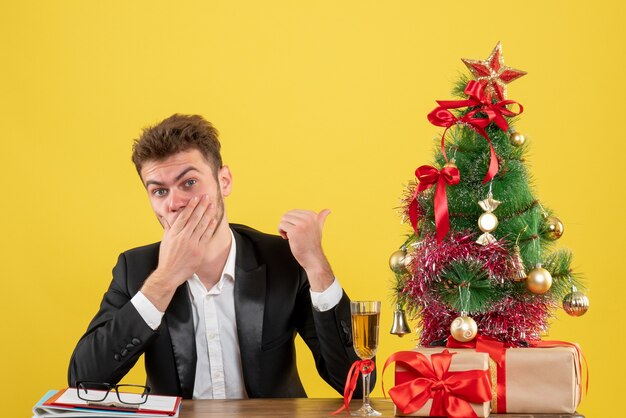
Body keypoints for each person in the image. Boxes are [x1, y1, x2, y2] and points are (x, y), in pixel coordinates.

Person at [68, 114, 371, 399]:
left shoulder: (282, 260)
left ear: (223, 181)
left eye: (189, 183)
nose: (175, 203)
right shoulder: (136, 269)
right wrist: (163, 281)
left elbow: (357, 384)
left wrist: (316, 265)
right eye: (159, 191)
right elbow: (84, 382)